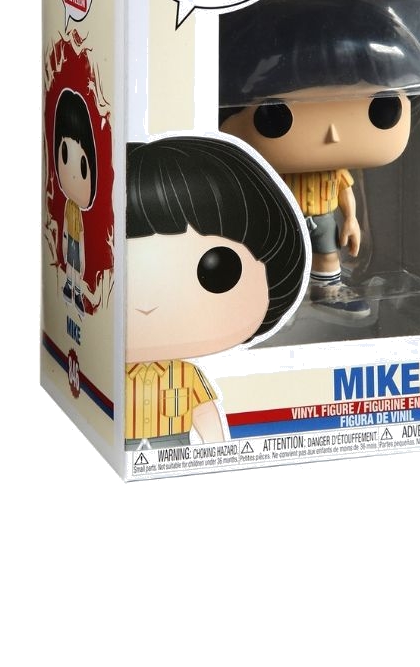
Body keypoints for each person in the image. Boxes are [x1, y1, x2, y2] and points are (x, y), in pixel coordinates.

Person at [220, 0, 420, 322]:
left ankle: (327, 292)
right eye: (276, 116)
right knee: (274, 257)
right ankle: (275, 297)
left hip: (323, 218)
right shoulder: (270, 174)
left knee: (328, 256)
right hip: (281, 218)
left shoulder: (335, 171)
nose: (332, 134)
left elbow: (345, 191)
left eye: (381, 109)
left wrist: (351, 220)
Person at [125, 136, 307, 448]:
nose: (147, 303)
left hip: (173, 445)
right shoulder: (108, 371)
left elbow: (206, 414)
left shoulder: (186, 376)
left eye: (216, 271)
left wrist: (217, 449)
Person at [52, 89, 97, 315]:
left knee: (76, 266)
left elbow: (81, 235)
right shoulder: (69, 206)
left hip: (76, 241)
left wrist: (82, 257)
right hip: (70, 239)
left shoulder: (76, 211)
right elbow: (66, 229)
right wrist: (63, 244)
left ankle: (76, 291)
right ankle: (70, 288)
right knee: (71, 266)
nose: (72, 175)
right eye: (64, 154)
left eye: (82, 166)